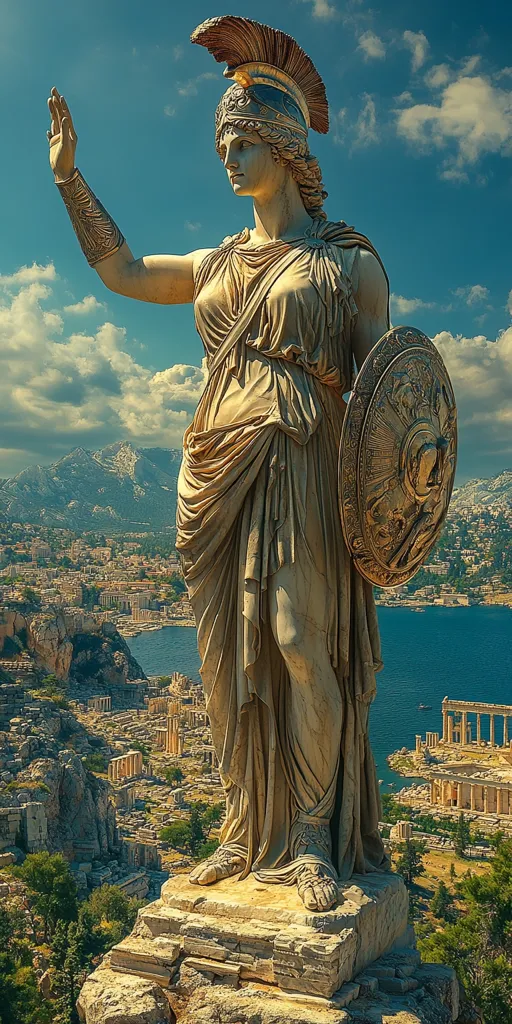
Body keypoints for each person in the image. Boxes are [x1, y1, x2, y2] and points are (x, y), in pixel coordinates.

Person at [47, 15, 390, 913]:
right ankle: (249, 834)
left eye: (241, 140)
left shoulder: (346, 265)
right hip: (217, 475)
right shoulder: (216, 263)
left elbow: (390, 404)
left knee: (295, 643)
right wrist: (70, 180)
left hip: (305, 470)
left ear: (282, 142)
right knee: (226, 661)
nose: (228, 159)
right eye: (221, 143)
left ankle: (313, 838)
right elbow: (121, 270)